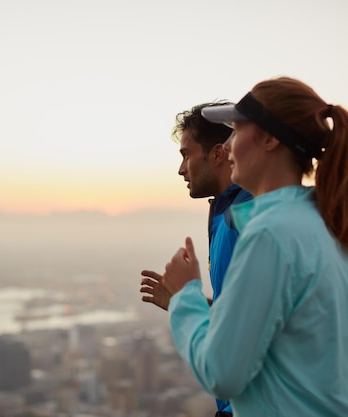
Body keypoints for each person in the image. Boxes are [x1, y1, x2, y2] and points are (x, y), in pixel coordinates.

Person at [161, 76, 348, 416]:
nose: (227, 146)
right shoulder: (334, 227)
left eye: (237, 131)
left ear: (270, 139)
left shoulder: (268, 234)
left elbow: (221, 373)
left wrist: (185, 296)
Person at [139, 101, 252, 416]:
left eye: (186, 155)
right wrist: (185, 301)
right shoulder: (229, 213)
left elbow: (233, 354)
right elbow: (250, 315)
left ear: (217, 154)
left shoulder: (242, 219)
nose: (181, 169)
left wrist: (187, 299)